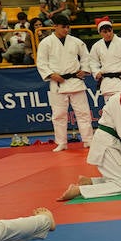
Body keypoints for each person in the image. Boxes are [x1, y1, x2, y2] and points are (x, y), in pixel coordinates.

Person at [57, 64, 121, 201]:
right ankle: (79, 190)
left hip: (117, 145)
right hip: (107, 145)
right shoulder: (119, 100)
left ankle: (90, 182)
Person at [35, 13, 93, 152]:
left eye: (68, 27)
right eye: (63, 27)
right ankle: (61, 142)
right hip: (58, 82)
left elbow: (86, 57)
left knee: (83, 113)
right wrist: (51, 75)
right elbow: (41, 62)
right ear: (55, 26)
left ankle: (88, 140)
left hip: (75, 80)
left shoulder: (76, 41)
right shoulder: (46, 43)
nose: (66, 30)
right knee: (59, 115)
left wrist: (84, 70)